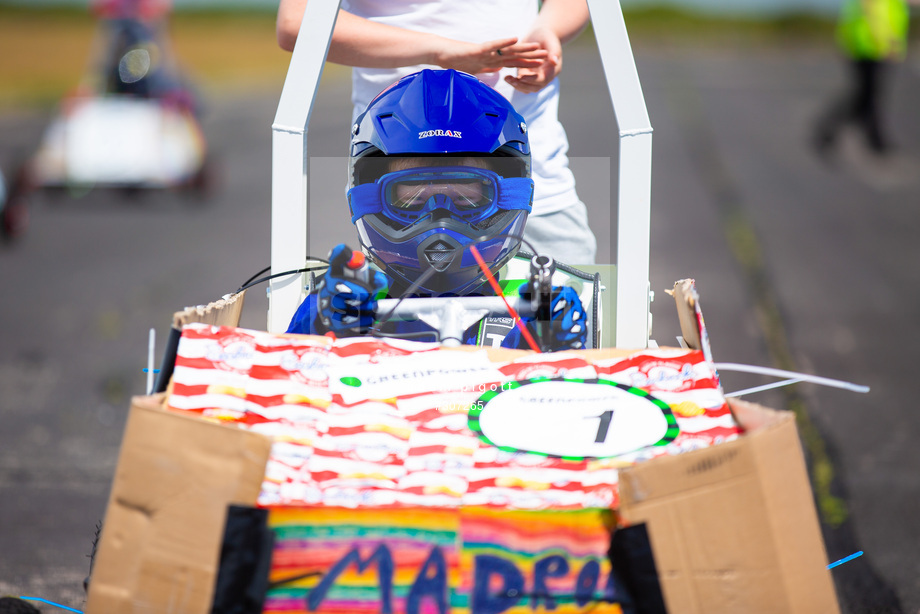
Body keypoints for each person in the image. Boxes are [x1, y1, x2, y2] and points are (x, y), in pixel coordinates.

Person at [286, 69, 588, 351]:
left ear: (506, 196)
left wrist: (547, 350)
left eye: (465, 196)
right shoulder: (340, 304)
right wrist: (322, 334)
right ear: (374, 197)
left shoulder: (536, 305)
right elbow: (286, 384)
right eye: (414, 196)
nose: (440, 220)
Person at [276, 0, 597, 265]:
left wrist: (548, 28)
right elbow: (299, 21)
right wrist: (439, 51)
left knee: (563, 326)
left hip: (531, 184)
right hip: (401, 197)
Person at [814, 0, 912, 158]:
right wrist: (888, 42)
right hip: (871, 48)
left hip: (868, 46)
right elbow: (873, 13)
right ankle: (832, 130)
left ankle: (872, 139)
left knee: (867, 95)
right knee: (867, 95)